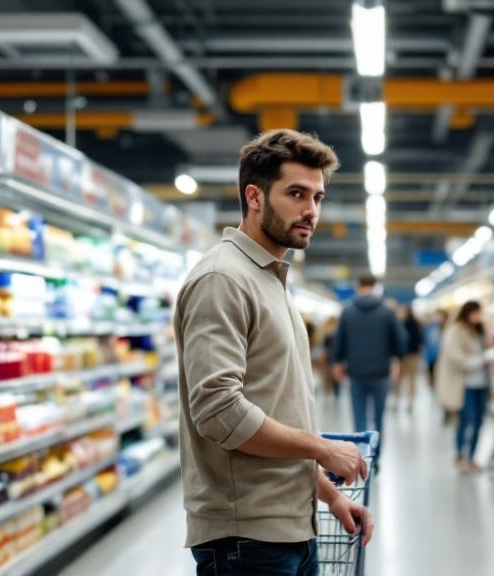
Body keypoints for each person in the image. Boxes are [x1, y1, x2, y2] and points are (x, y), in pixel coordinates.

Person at [175, 129, 373, 576]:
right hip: (246, 539)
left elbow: (273, 409)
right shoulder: (222, 279)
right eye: (297, 194)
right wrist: (320, 447)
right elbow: (219, 411)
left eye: (319, 198)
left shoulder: (272, 281)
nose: (311, 211)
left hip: (289, 529)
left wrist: (329, 494)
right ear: (255, 196)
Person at [332, 275, 406, 449]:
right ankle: (376, 458)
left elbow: (338, 340)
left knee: (359, 418)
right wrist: (396, 360)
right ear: (376, 287)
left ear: (358, 286)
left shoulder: (347, 311)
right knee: (379, 419)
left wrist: (337, 362)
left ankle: (362, 459)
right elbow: (401, 341)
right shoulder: (387, 312)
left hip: (356, 372)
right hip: (381, 373)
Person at [436, 301, 489, 473]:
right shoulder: (455, 331)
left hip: (481, 383)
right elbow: (454, 356)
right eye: (476, 313)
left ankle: (471, 457)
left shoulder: (479, 330)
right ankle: (460, 456)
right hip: (463, 385)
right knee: (466, 421)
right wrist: (479, 360)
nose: (479, 317)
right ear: (468, 313)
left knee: (479, 421)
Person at [394, 305, 422, 411]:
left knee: (401, 379)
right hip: (411, 355)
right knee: (409, 379)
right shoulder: (414, 324)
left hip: (406, 356)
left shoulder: (401, 324)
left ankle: (400, 401)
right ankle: (408, 401)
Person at [422, 310, 446, 390]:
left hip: (441, 356)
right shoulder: (430, 327)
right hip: (432, 356)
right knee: (432, 373)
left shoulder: (444, 327)